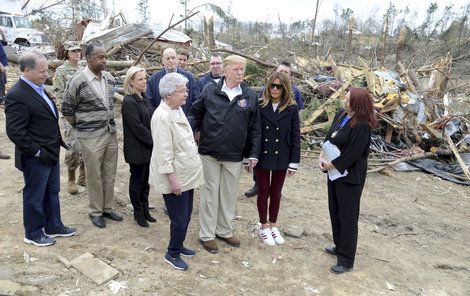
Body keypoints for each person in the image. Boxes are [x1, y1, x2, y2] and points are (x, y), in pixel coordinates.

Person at [190, 55, 261, 253]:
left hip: (234, 154)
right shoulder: (210, 90)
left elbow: (255, 127)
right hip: (209, 152)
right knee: (210, 194)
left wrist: (253, 154)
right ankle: (207, 235)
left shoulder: (249, 95)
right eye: (236, 69)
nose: (240, 73)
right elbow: (195, 113)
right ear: (225, 70)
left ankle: (224, 230)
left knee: (228, 195)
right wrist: (195, 132)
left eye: (242, 70)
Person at [5, 51, 76, 246]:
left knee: (51, 191)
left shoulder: (39, 88)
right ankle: (34, 232)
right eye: (42, 71)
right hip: (35, 157)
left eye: (47, 70)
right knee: (34, 195)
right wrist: (37, 152)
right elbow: (16, 132)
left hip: (51, 152)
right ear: (27, 70)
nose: (46, 75)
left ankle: (53, 225)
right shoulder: (17, 95)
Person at [62, 43, 122, 229]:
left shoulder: (109, 78)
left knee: (109, 172)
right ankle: (95, 211)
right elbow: (67, 109)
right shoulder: (77, 81)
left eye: (105, 57)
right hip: (90, 136)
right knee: (93, 174)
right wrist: (83, 126)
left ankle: (107, 207)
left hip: (109, 133)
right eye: (100, 57)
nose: (104, 60)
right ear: (88, 58)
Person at [318, 87, 377, 274]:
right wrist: (323, 155)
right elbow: (330, 138)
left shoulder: (362, 125)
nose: (345, 100)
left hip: (349, 176)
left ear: (358, 104)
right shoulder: (341, 114)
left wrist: (332, 164)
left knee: (348, 216)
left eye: (349, 99)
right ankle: (339, 245)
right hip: (334, 172)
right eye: (346, 97)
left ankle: (346, 259)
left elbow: (353, 153)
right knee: (334, 210)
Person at [149, 72, 203, 270]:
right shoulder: (161, 116)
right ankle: (171, 253)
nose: (186, 94)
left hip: (186, 173)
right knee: (179, 219)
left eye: (186, 90)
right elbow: (164, 153)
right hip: (175, 177)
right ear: (169, 94)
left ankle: (179, 246)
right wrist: (173, 180)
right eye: (182, 91)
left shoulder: (177, 109)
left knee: (187, 214)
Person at [245, 61, 305, 198]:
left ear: (290, 76)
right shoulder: (266, 90)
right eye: (280, 71)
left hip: (282, 134)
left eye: (285, 72)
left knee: (276, 181)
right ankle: (258, 185)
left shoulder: (295, 92)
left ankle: (276, 191)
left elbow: (299, 111)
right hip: (265, 135)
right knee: (261, 164)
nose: (275, 89)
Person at [255, 73, 300, 246]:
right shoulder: (260, 105)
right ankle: (263, 225)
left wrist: (294, 162)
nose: (274, 89)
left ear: (285, 89)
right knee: (263, 190)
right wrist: (249, 156)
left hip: (282, 155)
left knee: (276, 192)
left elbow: (296, 135)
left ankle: (273, 224)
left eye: (278, 86)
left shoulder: (292, 108)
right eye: (272, 85)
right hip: (263, 155)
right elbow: (255, 132)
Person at [121, 66, 156, 228]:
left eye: (145, 78)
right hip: (137, 149)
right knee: (137, 182)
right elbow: (137, 128)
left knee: (145, 182)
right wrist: (154, 140)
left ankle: (145, 208)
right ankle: (138, 213)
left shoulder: (145, 98)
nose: (144, 81)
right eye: (140, 79)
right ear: (132, 82)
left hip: (148, 148)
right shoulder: (129, 101)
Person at [53, 41, 85, 194]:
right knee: (73, 146)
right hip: (70, 115)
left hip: (85, 114)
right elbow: (59, 95)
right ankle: (71, 178)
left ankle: (83, 176)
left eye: (78, 51)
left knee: (87, 144)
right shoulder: (61, 71)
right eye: (73, 51)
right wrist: (67, 115)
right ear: (67, 54)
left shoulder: (83, 69)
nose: (77, 53)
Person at [146, 47, 199, 114]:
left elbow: (196, 101)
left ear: (177, 59)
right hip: (163, 120)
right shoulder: (153, 80)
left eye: (173, 58)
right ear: (162, 61)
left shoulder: (189, 78)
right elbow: (149, 103)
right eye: (167, 58)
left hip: (185, 119)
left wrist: (190, 119)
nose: (171, 61)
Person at [0, 27, 8, 106]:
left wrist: (2, 34)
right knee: (0, 82)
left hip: (3, 65)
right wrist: (1, 66)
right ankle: (1, 99)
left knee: (3, 82)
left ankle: (2, 96)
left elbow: (5, 43)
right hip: (0, 66)